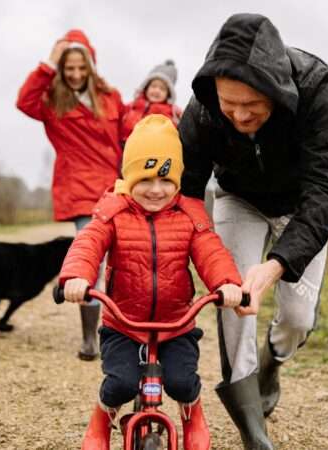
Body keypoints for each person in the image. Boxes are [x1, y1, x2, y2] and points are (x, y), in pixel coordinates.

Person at [179, 13, 328, 449]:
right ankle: (253, 431)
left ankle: (272, 362)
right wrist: (190, 250)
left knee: (297, 318)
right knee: (235, 298)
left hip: (301, 207)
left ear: (276, 90)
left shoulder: (321, 92)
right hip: (238, 197)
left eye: (252, 104)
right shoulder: (203, 109)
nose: (239, 115)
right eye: (229, 103)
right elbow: (184, 188)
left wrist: (276, 266)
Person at [59, 114, 244, 450]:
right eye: (145, 179)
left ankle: (192, 413)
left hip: (176, 324)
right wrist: (76, 277)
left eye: (165, 180)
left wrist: (227, 283)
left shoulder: (189, 213)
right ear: (129, 178)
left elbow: (211, 251)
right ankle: (102, 419)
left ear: (177, 179)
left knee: (183, 382)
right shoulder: (113, 211)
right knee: (120, 383)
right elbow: (88, 243)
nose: (156, 190)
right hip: (124, 324)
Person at [17, 29, 125, 361]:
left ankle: (122, 330)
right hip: (80, 190)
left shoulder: (111, 98)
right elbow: (24, 101)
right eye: (69, 68)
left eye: (81, 68)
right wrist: (49, 63)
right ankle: (89, 338)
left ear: (91, 67)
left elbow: (127, 137)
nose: (76, 75)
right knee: (92, 257)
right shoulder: (52, 102)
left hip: (115, 186)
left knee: (123, 260)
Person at [120, 59, 183, 144]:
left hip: (149, 152)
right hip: (124, 148)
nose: (157, 91)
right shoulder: (131, 106)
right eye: (153, 86)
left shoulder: (171, 114)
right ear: (146, 88)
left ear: (168, 94)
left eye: (162, 89)